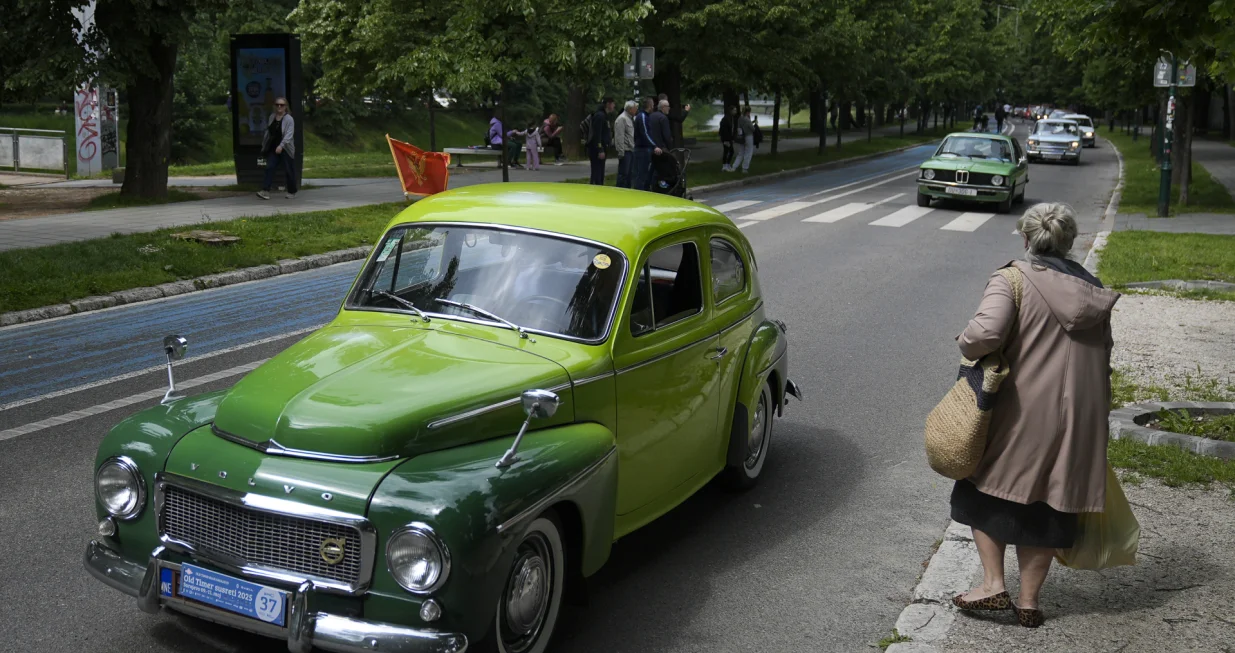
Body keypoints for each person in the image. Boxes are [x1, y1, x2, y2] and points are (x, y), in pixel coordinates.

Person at [949, 203, 1120, 629]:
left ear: (1027, 240)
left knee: (984, 487)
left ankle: (992, 585)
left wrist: (966, 342)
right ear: (1069, 243)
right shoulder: (1094, 292)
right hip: (1080, 414)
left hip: (1021, 409)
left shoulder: (1012, 278)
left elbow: (986, 333)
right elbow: (1106, 357)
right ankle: (1028, 601)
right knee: (1052, 500)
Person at [257, 96, 297, 200]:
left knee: (289, 170)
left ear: (285, 107)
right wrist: (264, 144)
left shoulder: (289, 119)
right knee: (269, 167)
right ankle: (265, 191)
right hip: (274, 148)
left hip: (285, 148)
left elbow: (289, 134)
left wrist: (281, 145)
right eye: (277, 104)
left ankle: (292, 191)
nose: (279, 106)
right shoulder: (272, 117)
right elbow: (268, 131)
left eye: (282, 105)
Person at [631, 97, 658, 191]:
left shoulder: (645, 116)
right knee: (641, 174)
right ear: (650, 106)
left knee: (644, 173)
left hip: (643, 148)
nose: (654, 107)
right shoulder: (642, 116)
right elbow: (645, 133)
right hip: (642, 149)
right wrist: (654, 146)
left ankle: (643, 190)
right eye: (653, 105)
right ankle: (639, 192)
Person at [587, 98, 615, 185]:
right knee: (597, 172)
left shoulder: (605, 116)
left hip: (603, 147)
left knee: (600, 171)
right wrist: (600, 149)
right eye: (613, 104)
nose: (614, 106)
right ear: (608, 104)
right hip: (597, 150)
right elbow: (597, 134)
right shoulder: (600, 116)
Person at [614, 100, 637, 187]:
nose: (636, 110)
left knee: (629, 174)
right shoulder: (622, 119)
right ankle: (620, 191)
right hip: (625, 151)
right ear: (630, 109)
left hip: (631, 150)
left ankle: (627, 190)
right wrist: (621, 152)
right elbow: (619, 137)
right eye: (635, 108)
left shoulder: (630, 119)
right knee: (623, 174)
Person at [733, 106, 755, 173]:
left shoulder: (740, 118)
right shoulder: (747, 119)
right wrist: (754, 124)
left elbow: (739, 127)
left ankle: (734, 166)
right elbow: (752, 129)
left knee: (741, 152)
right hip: (748, 136)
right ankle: (744, 168)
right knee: (748, 152)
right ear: (748, 112)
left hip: (741, 137)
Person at [719, 105, 738, 172]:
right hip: (726, 139)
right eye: (734, 110)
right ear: (731, 111)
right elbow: (723, 130)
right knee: (727, 151)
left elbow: (731, 130)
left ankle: (727, 164)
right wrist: (725, 140)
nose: (735, 112)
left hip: (729, 138)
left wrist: (732, 138)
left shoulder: (731, 118)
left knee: (730, 151)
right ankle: (724, 166)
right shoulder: (725, 119)